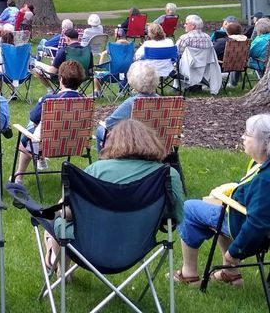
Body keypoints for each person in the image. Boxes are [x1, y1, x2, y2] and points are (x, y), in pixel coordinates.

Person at [46, 119, 184, 273]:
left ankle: (59, 268)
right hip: (137, 245)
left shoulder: (96, 170)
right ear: (151, 142)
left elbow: (69, 213)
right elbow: (176, 216)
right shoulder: (167, 175)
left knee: (56, 221)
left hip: (89, 245)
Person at [175, 114, 270, 286]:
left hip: (244, 226)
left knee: (188, 208)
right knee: (215, 202)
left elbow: (258, 223)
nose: (242, 137)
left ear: (264, 143)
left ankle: (189, 274)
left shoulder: (266, 180)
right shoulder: (263, 164)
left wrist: (234, 252)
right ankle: (230, 273)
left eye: (247, 134)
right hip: (245, 218)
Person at [12, 60, 86, 182]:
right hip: (74, 144)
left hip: (47, 144)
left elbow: (33, 118)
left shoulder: (49, 100)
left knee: (31, 128)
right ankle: (37, 158)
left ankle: (20, 176)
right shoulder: (85, 101)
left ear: (61, 79)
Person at [95, 61, 159, 150]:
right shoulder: (165, 101)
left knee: (100, 130)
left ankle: (102, 162)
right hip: (157, 142)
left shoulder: (132, 102)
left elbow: (110, 124)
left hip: (136, 144)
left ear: (133, 80)